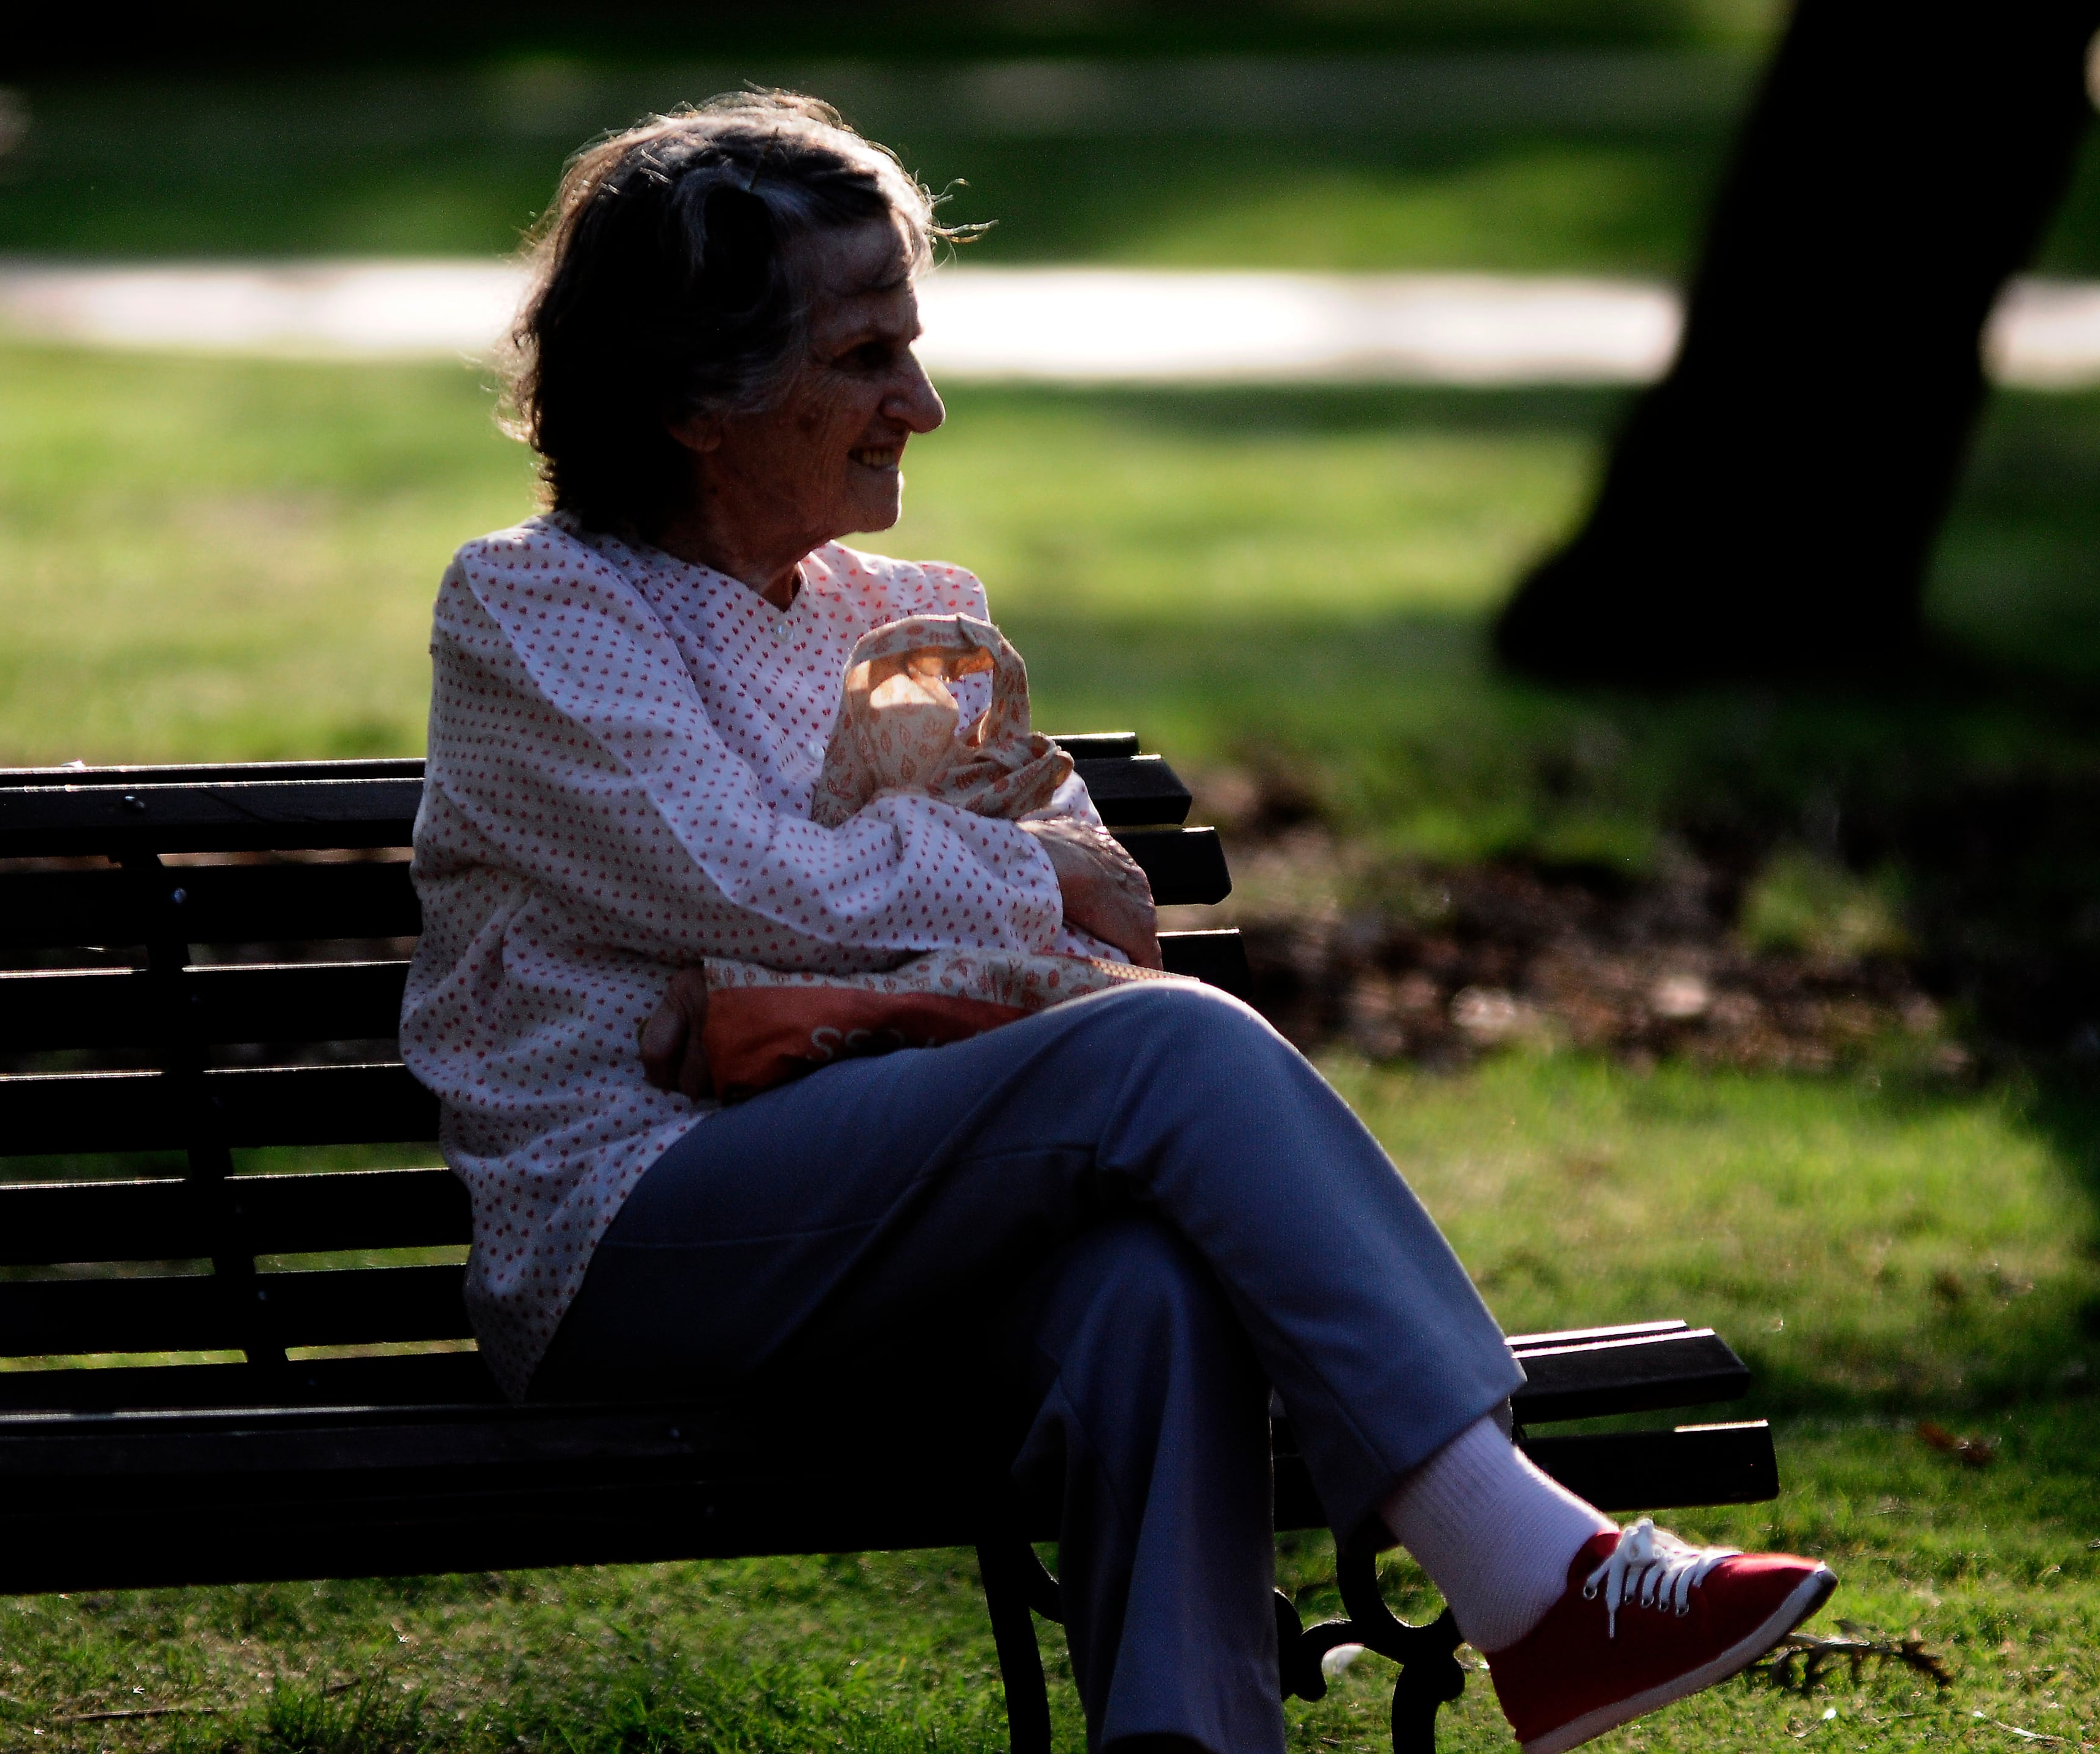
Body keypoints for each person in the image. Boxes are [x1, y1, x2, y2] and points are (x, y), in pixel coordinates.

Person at [400, 92, 1836, 1754]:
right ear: (695, 398)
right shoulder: (533, 609)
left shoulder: (911, 618)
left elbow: (1105, 927)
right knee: (1164, 1055)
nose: (919, 404)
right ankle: (1536, 1573)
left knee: (1144, 1289)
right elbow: (768, 882)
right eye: (865, 356)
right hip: (627, 1239)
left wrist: (897, 931)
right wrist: (986, 895)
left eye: (910, 347)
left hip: (892, 1230)